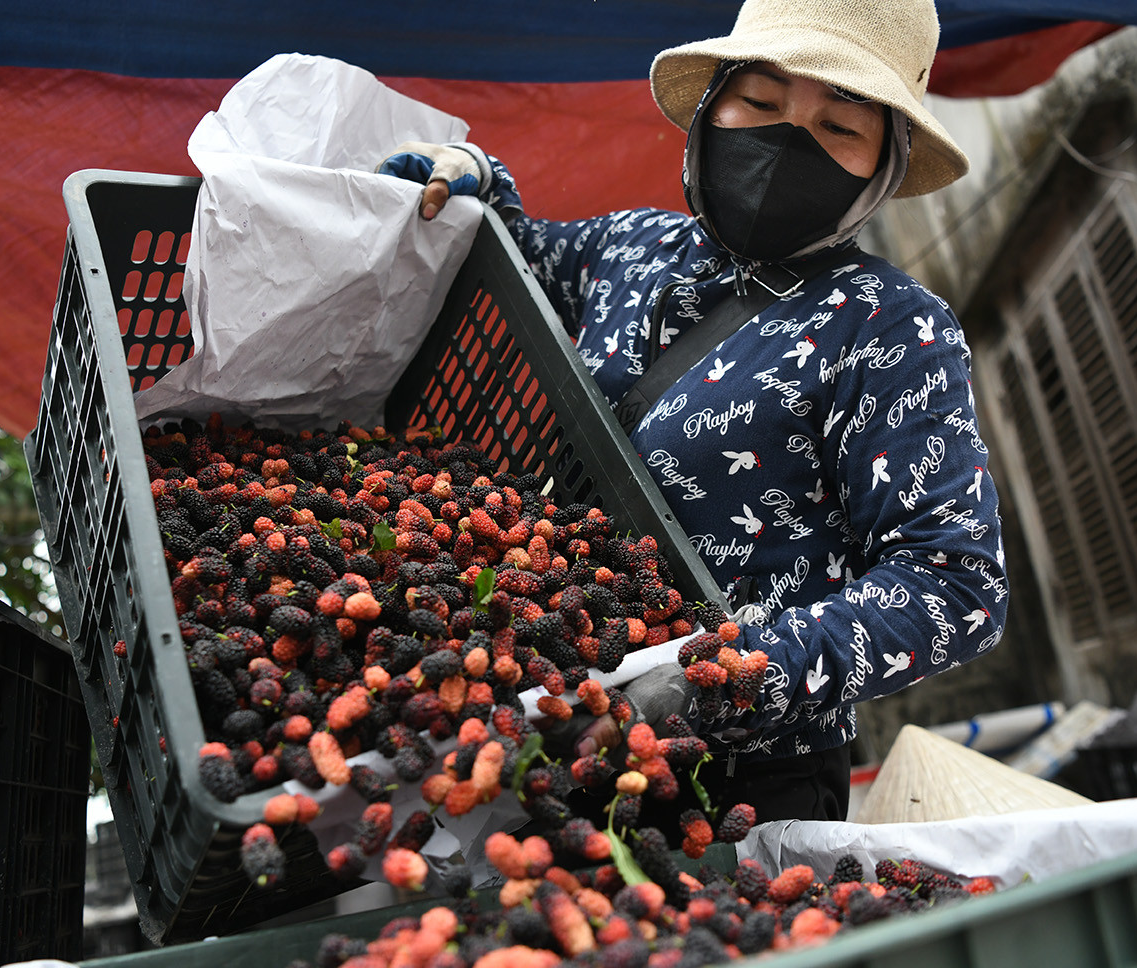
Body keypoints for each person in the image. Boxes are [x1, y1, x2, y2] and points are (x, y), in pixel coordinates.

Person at [378, 0, 1008, 825]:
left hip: (735, 779)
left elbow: (954, 585)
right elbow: (516, 252)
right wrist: (474, 173)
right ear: (714, 107)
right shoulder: (633, 249)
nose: (788, 140)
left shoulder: (888, 324)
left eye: (840, 126)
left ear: (880, 170)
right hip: (541, 703)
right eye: (763, 100)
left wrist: (729, 676)